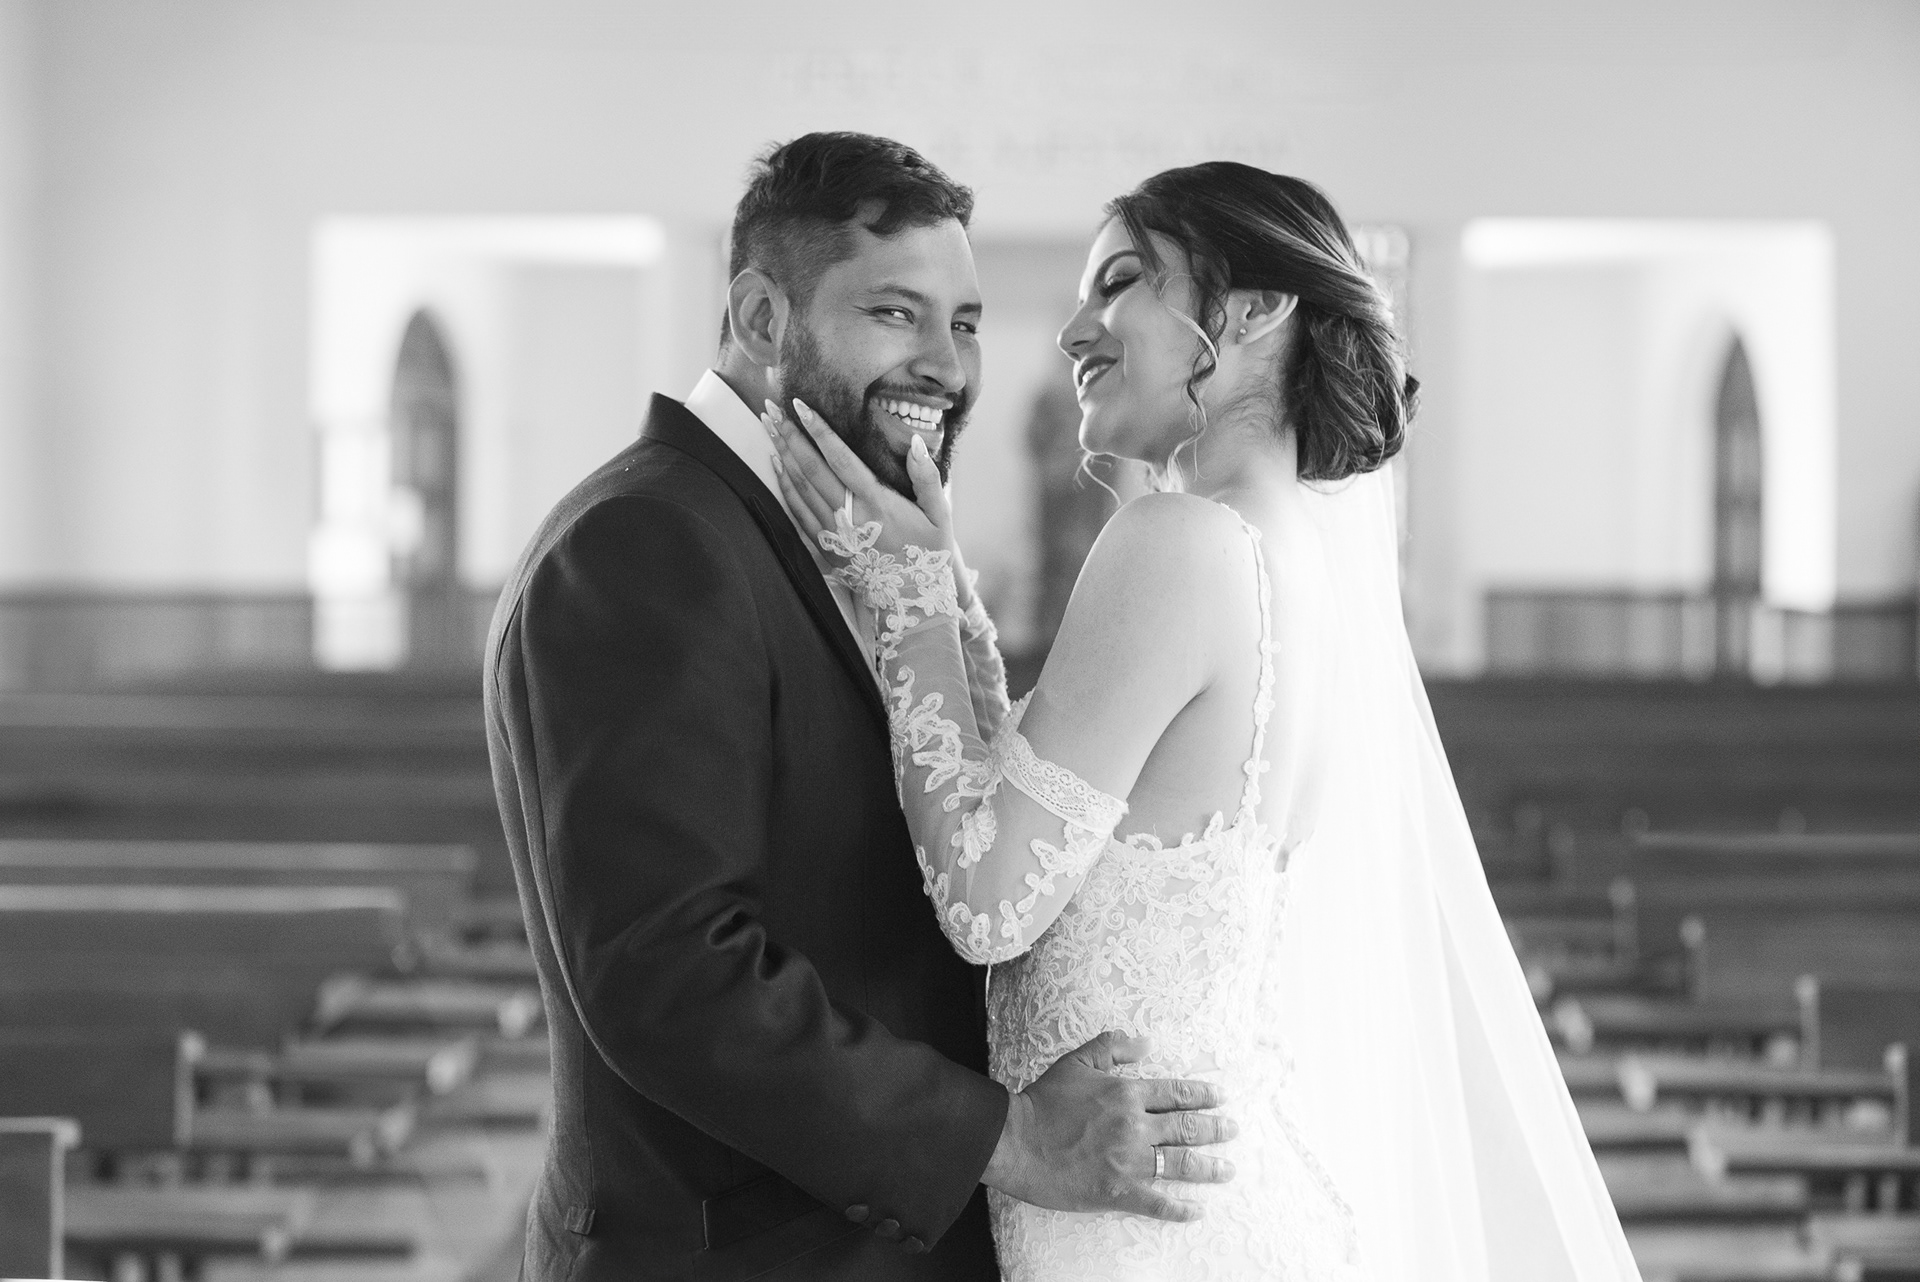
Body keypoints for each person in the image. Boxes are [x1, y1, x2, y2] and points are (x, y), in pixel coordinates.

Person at [766, 161, 1643, 1280]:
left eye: (1122, 281)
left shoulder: (1177, 540)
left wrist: (905, 603)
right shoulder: (1292, 557)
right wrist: (938, 582)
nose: (1074, 330)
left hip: (1142, 1228)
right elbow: (1040, 793)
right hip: (1208, 1204)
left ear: (1253, 308)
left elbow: (988, 899)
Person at [483, 132, 1236, 1282]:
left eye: (965, 323)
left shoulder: (843, 535)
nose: (947, 366)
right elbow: (669, 973)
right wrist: (1010, 1138)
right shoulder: (648, 539)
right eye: (895, 313)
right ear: (761, 317)